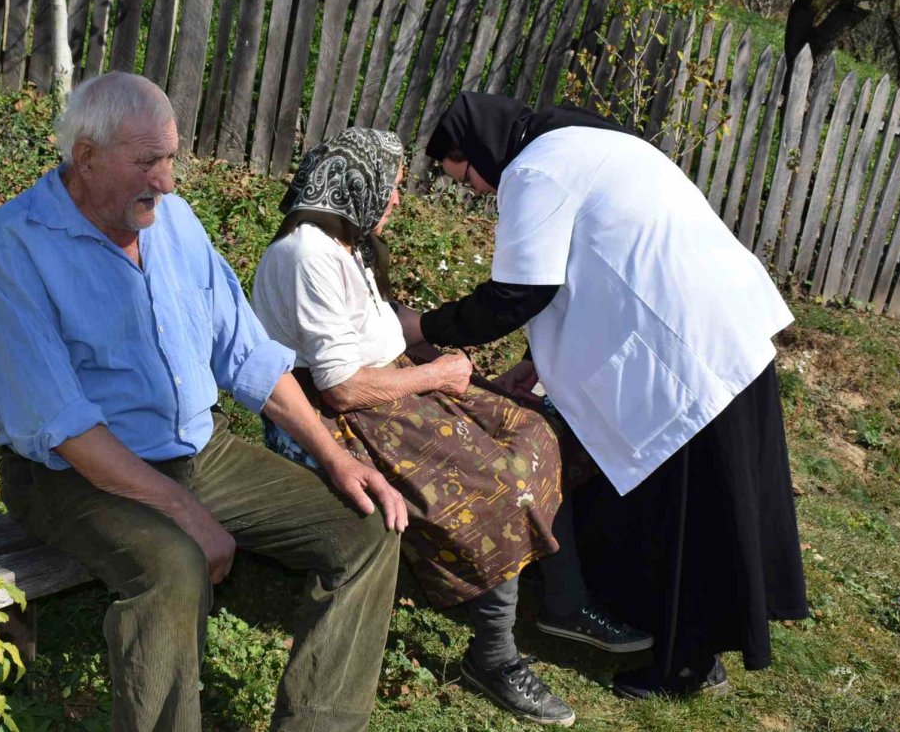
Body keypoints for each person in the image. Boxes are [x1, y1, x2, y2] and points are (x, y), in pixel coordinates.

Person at [0, 73, 410, 732]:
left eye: (171, 157)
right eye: (148, 161)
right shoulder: (14, 245)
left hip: (198, 450)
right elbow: (65, 427)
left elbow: (247, 353)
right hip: (69, 475)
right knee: (174, 565)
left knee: (365, 527)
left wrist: (335, 456)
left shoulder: (172, 220)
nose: (168, 181)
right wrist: (184, 513)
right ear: (86, 157)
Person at [411, 92, 809, 700]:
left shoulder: (534, 170)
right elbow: (598, 258)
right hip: (724, 328)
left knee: (688, 513)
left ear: (478, 151)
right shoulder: (588, 141)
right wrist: (533, 363)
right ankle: (686, 640)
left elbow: (519, 293)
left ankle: (685, 664)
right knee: (718, 499)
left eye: (465, 178)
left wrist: (425, 327)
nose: (477, 192)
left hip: (683, 352)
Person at [251, 128, 651, 727]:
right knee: (494, 483)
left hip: (388, 385)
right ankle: (493, 655)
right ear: (355, 183)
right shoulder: (307, 255)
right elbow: (340, 386)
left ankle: (558, 597)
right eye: (389, 186)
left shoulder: (345, 241)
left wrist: (456, 350)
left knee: (537, 432)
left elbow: (382, 326)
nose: (394, 198)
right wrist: (439, 375)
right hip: (336, 415)